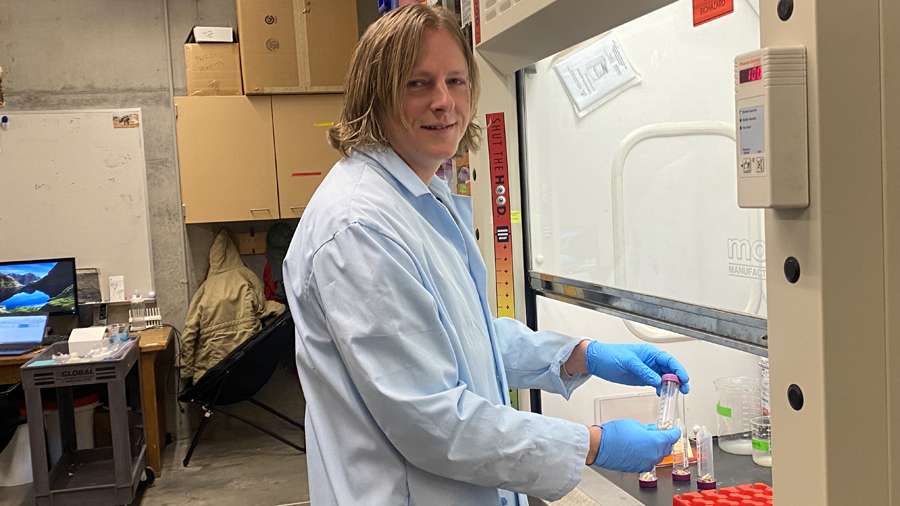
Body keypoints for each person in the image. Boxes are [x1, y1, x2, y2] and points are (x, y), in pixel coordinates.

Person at [282, 5, 690, 505]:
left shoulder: (419, 196)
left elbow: (459, 334)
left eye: (456, 81)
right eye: (418, 84)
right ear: (376, 95)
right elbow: (432, 419)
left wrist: (578, 356)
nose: (443, 102)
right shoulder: (360, 229)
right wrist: (593, 444)